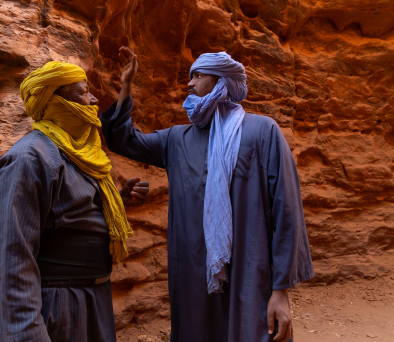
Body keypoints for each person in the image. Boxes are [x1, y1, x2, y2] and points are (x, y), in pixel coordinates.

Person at [100, 47, 314, 342]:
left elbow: (286, 212)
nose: (189, 83)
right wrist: (126, 86)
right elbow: (123, 139)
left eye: (197, 75)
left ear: (221, 81)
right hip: (193, 276)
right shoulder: (177, 139)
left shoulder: (262, 132)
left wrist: (281, 292)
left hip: (249, 272)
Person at [0, 60, 149, 342]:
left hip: (93, 299)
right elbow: (13, 256)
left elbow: (72, 213)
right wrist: (27, 334)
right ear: (54, 101)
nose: (94, 99)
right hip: (58, 308)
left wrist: (117, 201)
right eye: (83, 92)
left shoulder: (82, 154)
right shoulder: (30, 158)